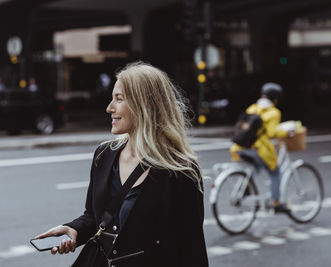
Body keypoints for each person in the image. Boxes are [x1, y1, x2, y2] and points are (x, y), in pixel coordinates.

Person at [35, 62, 209, 267]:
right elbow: (94, 216)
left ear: (144, 105)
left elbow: (193, 251)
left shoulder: (180, 170)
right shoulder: (104, 155)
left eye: (119, 99)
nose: (110, 108)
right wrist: (74, 230)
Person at [230, 82, 292, 212]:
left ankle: (246, 186)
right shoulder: (274, 112)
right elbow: (271, 133)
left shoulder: (252, 108)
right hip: (257, 149)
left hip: (239, 147)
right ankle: (276, 203)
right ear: (275, 99)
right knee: (275, 172)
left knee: (255, 166)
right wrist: (287, 132)